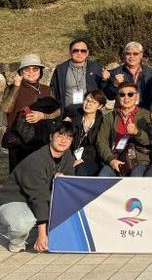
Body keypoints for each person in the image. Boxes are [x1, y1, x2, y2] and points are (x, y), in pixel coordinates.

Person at [0, 121, 75, 253]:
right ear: (51, 137)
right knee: (23, 223)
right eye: (60, 136)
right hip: (15, 200)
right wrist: (41, 236)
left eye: (68, 138)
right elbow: (39, 198)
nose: (64, 141)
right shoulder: (36, 161)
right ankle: (17, 242)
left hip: (37, 199)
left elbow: (68, 189)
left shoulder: (68, 157)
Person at [1, 54, 60, 171]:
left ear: (40, 71)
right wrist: (16, 87)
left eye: (35, 69)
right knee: (19, 175)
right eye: (27, 69)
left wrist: (43, 116)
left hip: (42, 140)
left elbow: (58, 111)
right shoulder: (13, 88)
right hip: (18, 142)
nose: (31, 72)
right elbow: (6, 108)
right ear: (21, 72)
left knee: (41, 173)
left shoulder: (47, 89)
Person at [97, 82, 151, 177]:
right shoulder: (110, 116)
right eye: (122, 94)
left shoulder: (146, 115)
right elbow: (101, 141)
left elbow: (150, 141)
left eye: (130, 94)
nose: (126, 98)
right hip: (115, 158)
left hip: (139, 160)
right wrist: (111, 160)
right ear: (118, 97)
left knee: (135, 177)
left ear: (137, 96)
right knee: (103, 177)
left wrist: (137, 133)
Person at [49, 39, 104, 112]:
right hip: (67, 113)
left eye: (83, 51)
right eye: (75, 50)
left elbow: (105, 91)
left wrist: (106, 80)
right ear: (70, 52)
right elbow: (54, 90)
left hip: (89, 113)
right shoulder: (60, 69)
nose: (79, 53)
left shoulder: (96, 68)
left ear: (87, 53)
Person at [63, 89, 107, 176]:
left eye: (93, 102)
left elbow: (98, 147)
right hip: (70, 157)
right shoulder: (73, 119)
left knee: (80, 169)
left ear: (100, 106)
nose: (88, 104)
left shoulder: (102, 124)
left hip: (92, 160)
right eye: (86, 100)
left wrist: (83, 159)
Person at [103, 42, 152, 109]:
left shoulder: (150, 72)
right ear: (124, 55)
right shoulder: (116, 72)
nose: (131, 56)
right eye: (128, 54)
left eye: (135, 54)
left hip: (144, 111)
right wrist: (115, 84)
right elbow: (110, 96)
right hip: (122, 111)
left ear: (141, 55)